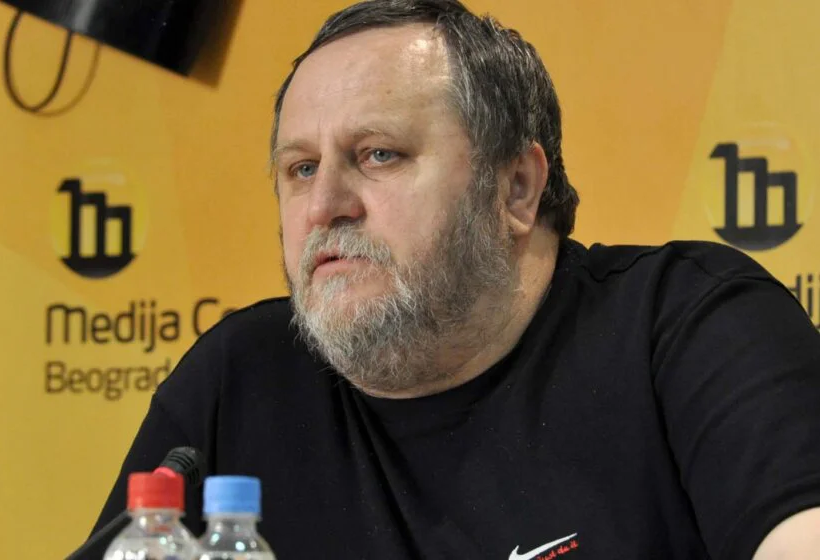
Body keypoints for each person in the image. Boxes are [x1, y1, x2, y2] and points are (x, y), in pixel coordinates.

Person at [90, 1, 820, 558]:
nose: (323, 206)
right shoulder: (238, 380)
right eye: (301, 169)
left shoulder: (689, 324)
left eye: (378, 154)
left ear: (516, 188)